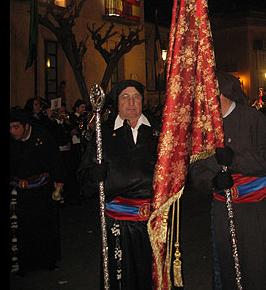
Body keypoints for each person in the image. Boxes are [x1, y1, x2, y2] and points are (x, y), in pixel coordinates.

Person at [189, 73, 266, 290]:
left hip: (256, 209)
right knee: (228, 268)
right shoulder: (202, 128)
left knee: (259, 267)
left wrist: (236, 159)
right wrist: (214, 180)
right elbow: (196, 171)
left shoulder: (251, 118)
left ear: (224, 94)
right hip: (222, 209)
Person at [77, 80, 161, 290]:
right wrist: (93, 176)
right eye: (125, 97)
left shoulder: (158, 131)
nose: (131, 102)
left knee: (151, 277)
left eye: (136, 97)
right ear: (117, 103)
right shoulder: (103, 133)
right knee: (122, 278)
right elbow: (84, 183)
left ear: (143, 101)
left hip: (154, 222)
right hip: (119, 224)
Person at [10, 107, 67, 276]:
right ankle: (24, 263)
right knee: (23, 229)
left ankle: (48, 261)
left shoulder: (42, 136)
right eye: (10, 127)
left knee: (44, 227)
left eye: (16, 127)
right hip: (19, 192)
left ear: (26, 126)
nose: (13, 132)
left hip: (42, 190)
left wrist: (59, 182)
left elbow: (55, 159)